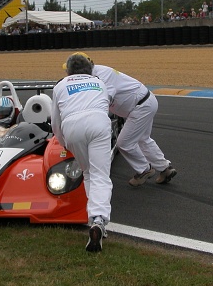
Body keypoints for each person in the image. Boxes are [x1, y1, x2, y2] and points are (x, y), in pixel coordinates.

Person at [64, 52, 177, 187]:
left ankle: (144, 170)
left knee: (124, 143)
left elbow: (104, 99)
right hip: (143, 103)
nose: (69, 73)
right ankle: (165, 168)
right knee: (143, 139)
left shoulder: (101, 76)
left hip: (140, 106)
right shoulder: (94, 75)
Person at [51, 54, 113, 252]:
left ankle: (94, 218)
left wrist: (64, 142)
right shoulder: (99, 82)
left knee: (88, 173)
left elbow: (55, 123)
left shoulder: (60, 86)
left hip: (72, 127)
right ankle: (98, 219)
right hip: (99, 123)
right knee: (100, 175)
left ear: (68, 71)